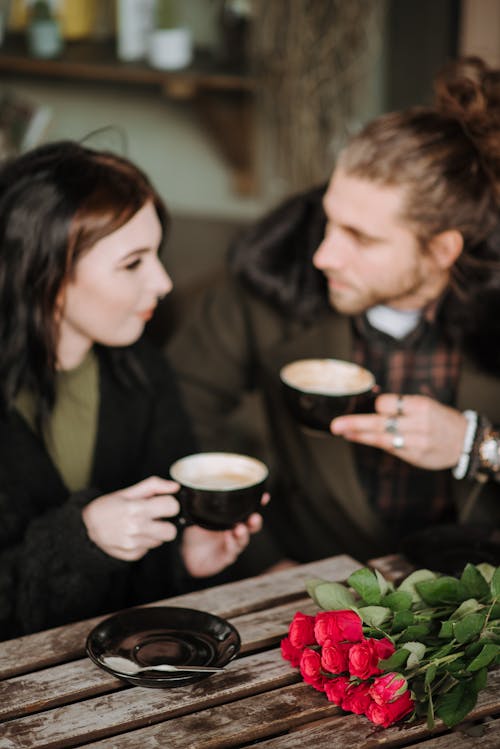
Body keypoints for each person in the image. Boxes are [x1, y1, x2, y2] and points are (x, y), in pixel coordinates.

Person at [168, 56, 500, 573]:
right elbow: (179, 408)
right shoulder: (270, 285)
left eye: (361, 238)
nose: (323, 256)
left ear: (441, 250)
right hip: (306, 587)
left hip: (474, 605)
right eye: (329, 221)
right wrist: (261, 558)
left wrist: (475, 444)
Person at [0, 141, 263, 640]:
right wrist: (83, 537)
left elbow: (134, 589)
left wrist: (184, 559)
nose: (163, 282)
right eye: (133, 263)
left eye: (156, 255)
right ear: (45, 274)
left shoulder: (142, 372)